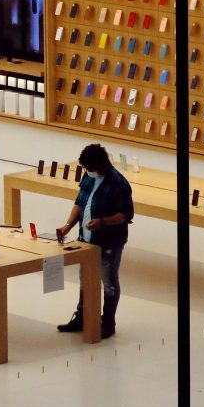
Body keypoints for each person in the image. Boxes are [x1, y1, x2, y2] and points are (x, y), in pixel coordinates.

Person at [54, 144, 132, 338]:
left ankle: (108, 323)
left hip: (109, 242)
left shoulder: (118, 183)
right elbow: (79, 202)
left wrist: (102, 221)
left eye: (89, 167)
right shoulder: (88, 176)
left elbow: (125, 215)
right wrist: (67, 226)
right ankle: (82, 317)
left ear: (101, 165)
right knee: (85, 279)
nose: (87, 171)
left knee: (109, 283)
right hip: (86, 240)